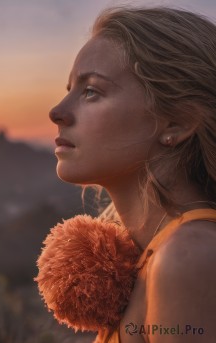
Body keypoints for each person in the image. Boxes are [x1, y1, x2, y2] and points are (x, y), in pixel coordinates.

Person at [49, 6, 216, 343]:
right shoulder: (152, 256)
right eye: (69, 89)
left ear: (177, 122)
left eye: (92, 91)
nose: (57, 112)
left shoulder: (188, 255)